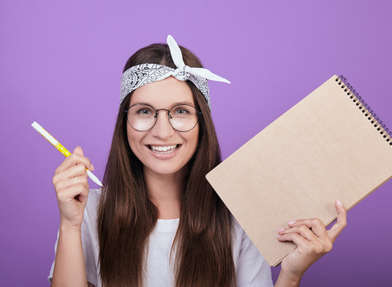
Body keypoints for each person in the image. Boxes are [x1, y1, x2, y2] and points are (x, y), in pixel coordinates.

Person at [47, 35, 347, 287]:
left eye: (180, 111)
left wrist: (291, 275)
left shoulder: (238, 216)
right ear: (124, 124)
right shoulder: (87, 212)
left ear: (202, 122)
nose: (162, 131)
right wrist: (71, 225)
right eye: (144, 111)